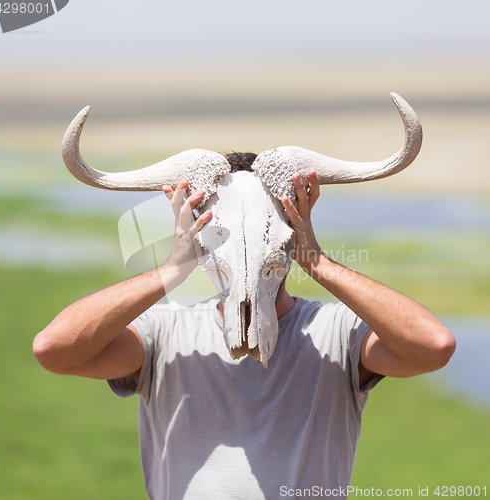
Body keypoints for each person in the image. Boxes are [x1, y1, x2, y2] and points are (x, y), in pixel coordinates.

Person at [33, 153, 456, 499]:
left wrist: (318, 263)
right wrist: (170, 270)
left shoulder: (336, 332)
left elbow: (434, 346)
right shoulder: (165, 333)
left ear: (293, 228)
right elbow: (54, 349)